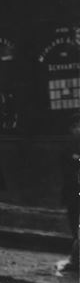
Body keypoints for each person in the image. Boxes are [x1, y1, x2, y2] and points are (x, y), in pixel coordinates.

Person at [57, 114, 80, 274]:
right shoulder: (68, 145)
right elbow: (66, 166)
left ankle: (76, 260)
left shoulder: (70, 144)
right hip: (73, 190)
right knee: (75, 225)